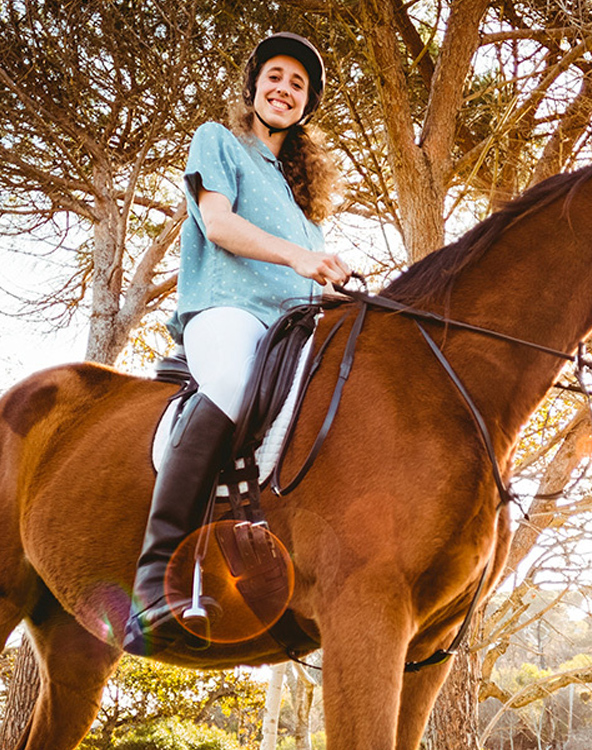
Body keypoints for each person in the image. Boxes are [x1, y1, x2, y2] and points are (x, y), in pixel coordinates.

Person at [123, 32, 351, 655]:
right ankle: (155, 582)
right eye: (274, 77)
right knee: (229, 382)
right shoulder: (217, 141)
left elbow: (303, 275)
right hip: (228, 312)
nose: (283, 89)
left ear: (306, 108)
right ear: (253, 89)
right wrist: (304, 258)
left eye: (297, 85)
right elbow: (219, 224)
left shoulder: (304, 204)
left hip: (292, 328)